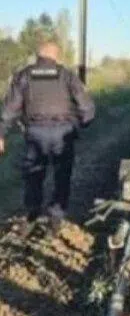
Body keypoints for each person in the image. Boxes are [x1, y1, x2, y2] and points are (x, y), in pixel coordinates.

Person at [0, 41, 95, 230]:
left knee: (34, 174)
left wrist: (1, 132)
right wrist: (83, 123)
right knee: (62, 175)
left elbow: (9, 109)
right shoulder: (67, 76)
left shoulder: (24, 75)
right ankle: (55, 217)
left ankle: (32, 211)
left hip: (35, 133)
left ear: (38, 55)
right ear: (56, 56)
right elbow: (86, 107)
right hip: (63, 133)